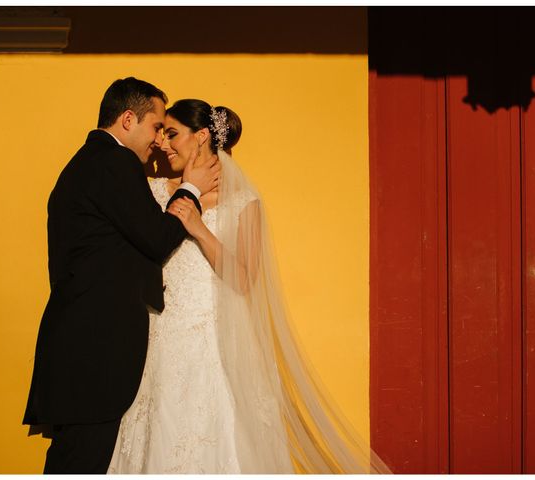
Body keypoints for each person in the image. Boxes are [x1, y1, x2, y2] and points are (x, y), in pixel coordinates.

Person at [107, 99, 391, 474]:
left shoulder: (243, 202)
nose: (162, 143)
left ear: (203, 136)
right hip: (157, 336)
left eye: (172, 133)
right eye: (161, 133)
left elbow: (244, 279)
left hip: (211, 342)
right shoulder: (154, 191)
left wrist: (197, 227)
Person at [22, 79, 220, 474]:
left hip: (80, 350)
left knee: (74, 462)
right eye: (155, 127)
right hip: (93, 354)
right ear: (128, 119)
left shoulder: (90, 163)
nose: (159, 141)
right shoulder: (112, 163)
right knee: (80, 465)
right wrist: (192, 190)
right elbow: (156, 238)